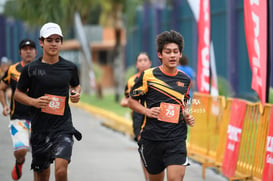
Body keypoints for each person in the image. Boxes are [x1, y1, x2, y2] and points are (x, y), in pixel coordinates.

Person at [14, 22, 81, 181]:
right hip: (40, 129)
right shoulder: (31, 69)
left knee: (60, 171)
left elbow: (76, 85)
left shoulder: (69, 68)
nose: (53, 44)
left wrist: (75, 94)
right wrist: (34, 102)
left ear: (61, 43)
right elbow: (18, 94)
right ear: (41, 42)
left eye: (57, 40)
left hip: (63, 127)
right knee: (43, 175)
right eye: (49, 40)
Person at [128, 30, 195, 181]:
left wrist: (186, 115)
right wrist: (147, 111)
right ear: (160, 54)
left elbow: (184, 104)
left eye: (175, 52)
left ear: (180, 54)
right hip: (153, 138)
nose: (172, 55)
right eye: (168, 52)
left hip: (176, 138)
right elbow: (131, 101)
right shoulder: (148, 76)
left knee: (174, 178)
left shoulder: (185, 80)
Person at [0, 39, 37, 180]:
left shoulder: (42, 69)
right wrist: (4, 106)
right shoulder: (12, 70)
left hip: (39, 118)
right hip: (18, 118)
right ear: (20, 52)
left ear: (36, 51)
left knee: (40, 156)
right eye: (25, 48)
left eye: (31, 48)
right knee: (21, 150)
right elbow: (1, 88)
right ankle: (19, 162)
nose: (28, 51)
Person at [120, 52, 152, 181]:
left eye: (145, 59)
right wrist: (133, 103)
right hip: (138, 118)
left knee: (154, 150)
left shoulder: (155, 78)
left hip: (153, 115)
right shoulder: (132, 81)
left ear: (150, 63)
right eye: (140, 60)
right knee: (144, 149)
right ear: (136, 64)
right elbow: (125, 100)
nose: (143, 62)